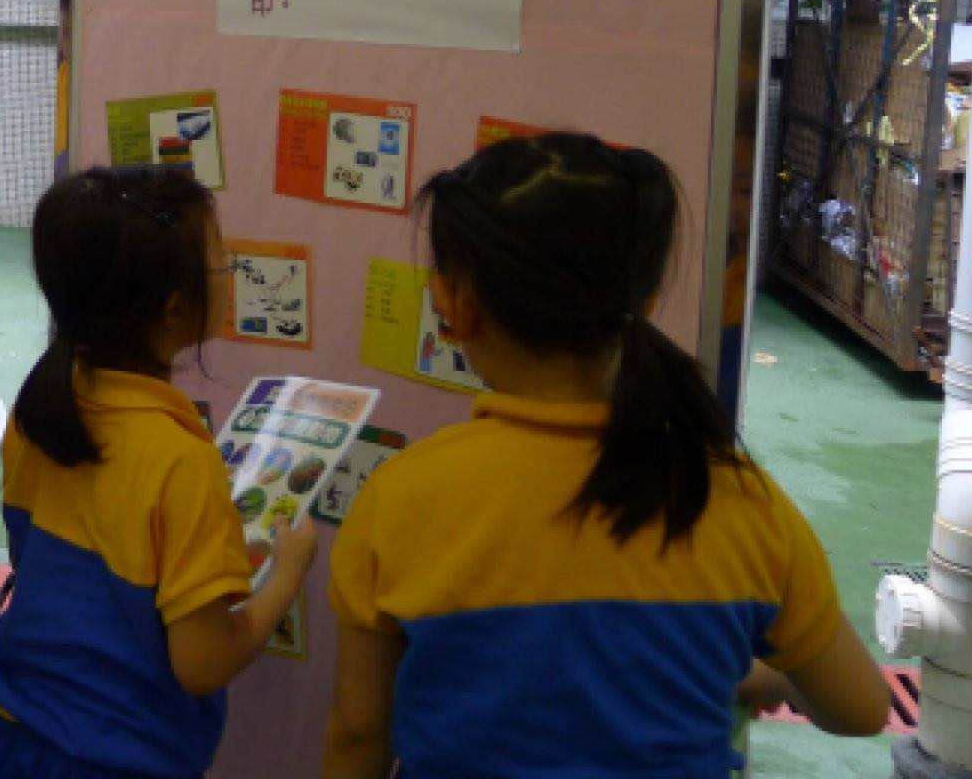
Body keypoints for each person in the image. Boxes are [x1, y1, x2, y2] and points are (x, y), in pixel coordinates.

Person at [322, 133, 891, 779]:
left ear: (453, 304)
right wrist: (768, 676)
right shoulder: (738, 500)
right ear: (645, 303)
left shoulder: (401, 498)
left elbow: (358, 734)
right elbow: (861, 708)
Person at [0, 165, 319, 779]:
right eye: (221, 261)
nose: (229, 272)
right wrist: (287, 575)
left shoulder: (40, 405)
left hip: (8, 733)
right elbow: (203, 664)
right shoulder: (181, 461)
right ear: (174, 309)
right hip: (117, 760)